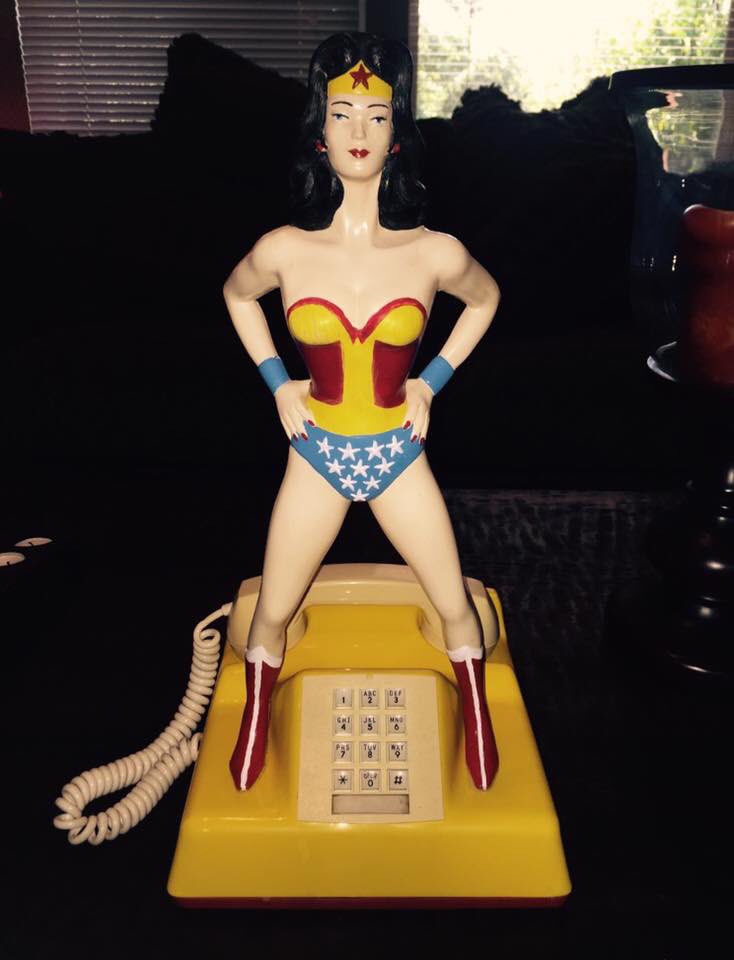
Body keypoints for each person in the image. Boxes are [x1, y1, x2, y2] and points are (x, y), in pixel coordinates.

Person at [223, 31, 501, 793]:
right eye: (342, 113)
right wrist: (278, 382)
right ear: (319, 130)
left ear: (397, 133)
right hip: (316, 453)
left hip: (396, 453)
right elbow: (236, 295)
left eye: (376, 116)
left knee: (453, 603)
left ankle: (477, 712)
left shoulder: (435, 252)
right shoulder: (283, 249)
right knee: (272, 611)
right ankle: (256, 715)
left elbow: (485, 300)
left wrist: (431, 381)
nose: (358, 131)